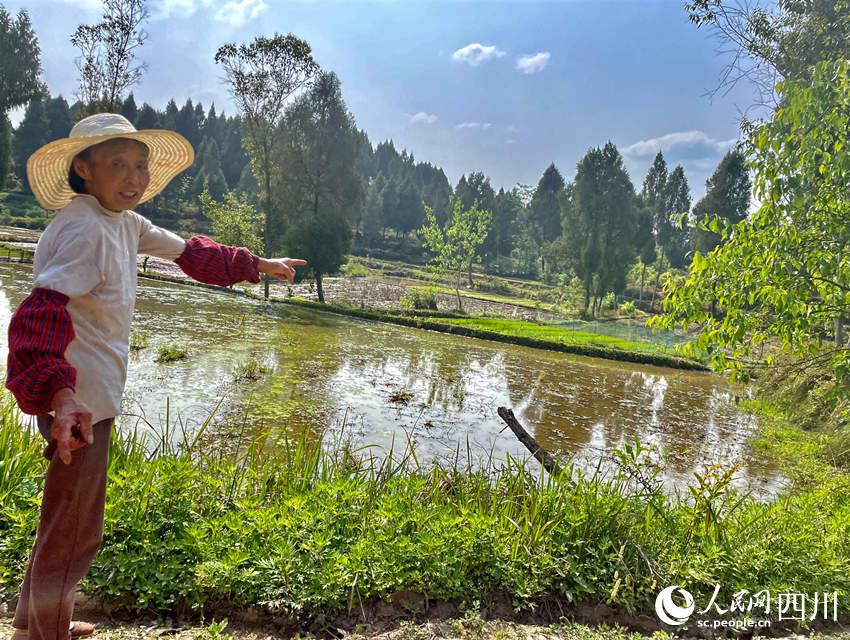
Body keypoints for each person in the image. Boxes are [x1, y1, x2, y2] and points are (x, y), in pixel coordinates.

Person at [4, 113, 306, 640]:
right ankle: (44, 634)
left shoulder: (123, 222)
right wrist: (63, 393)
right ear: (84, 169)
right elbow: (40, 313)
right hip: (78, 402)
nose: (134, 177)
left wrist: (257, 262)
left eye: (140, 166)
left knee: (65, 512)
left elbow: (190, 253)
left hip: (83, 396)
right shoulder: (85, 229)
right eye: (117, 164)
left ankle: (36, 621)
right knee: (76, 525)